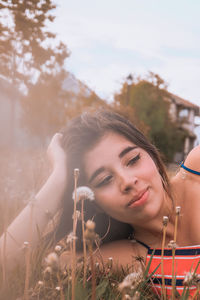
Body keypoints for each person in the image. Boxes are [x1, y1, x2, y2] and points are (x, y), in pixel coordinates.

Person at [0, 109, 199, 297]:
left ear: (150, 154)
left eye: (133, 160)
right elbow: (8, 263)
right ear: (94, 203)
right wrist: (59, 177)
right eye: (104, 180)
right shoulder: (125, 258)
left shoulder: (196, 171)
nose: (127, 181)